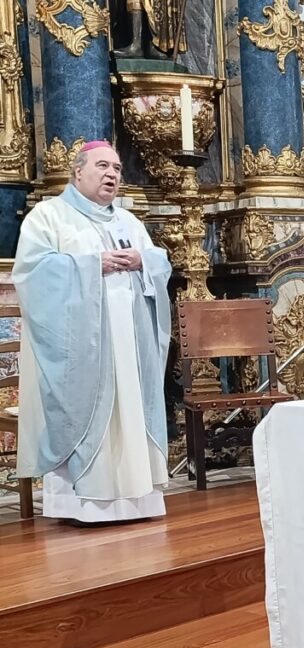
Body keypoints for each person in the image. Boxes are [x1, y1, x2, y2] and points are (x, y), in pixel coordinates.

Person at [14, 141, 172, 524]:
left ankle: (138, 498)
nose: (112, 175)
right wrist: (90, 265)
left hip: (130, 342)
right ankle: (82, 505)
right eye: (103, 166)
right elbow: (31, 273)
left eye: (117, 169)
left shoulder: (128, 222)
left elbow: (159, 261)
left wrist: (144, 260)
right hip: (81, 347)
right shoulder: (48, 217)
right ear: (77, 171)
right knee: (86, 408)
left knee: (132, 407)